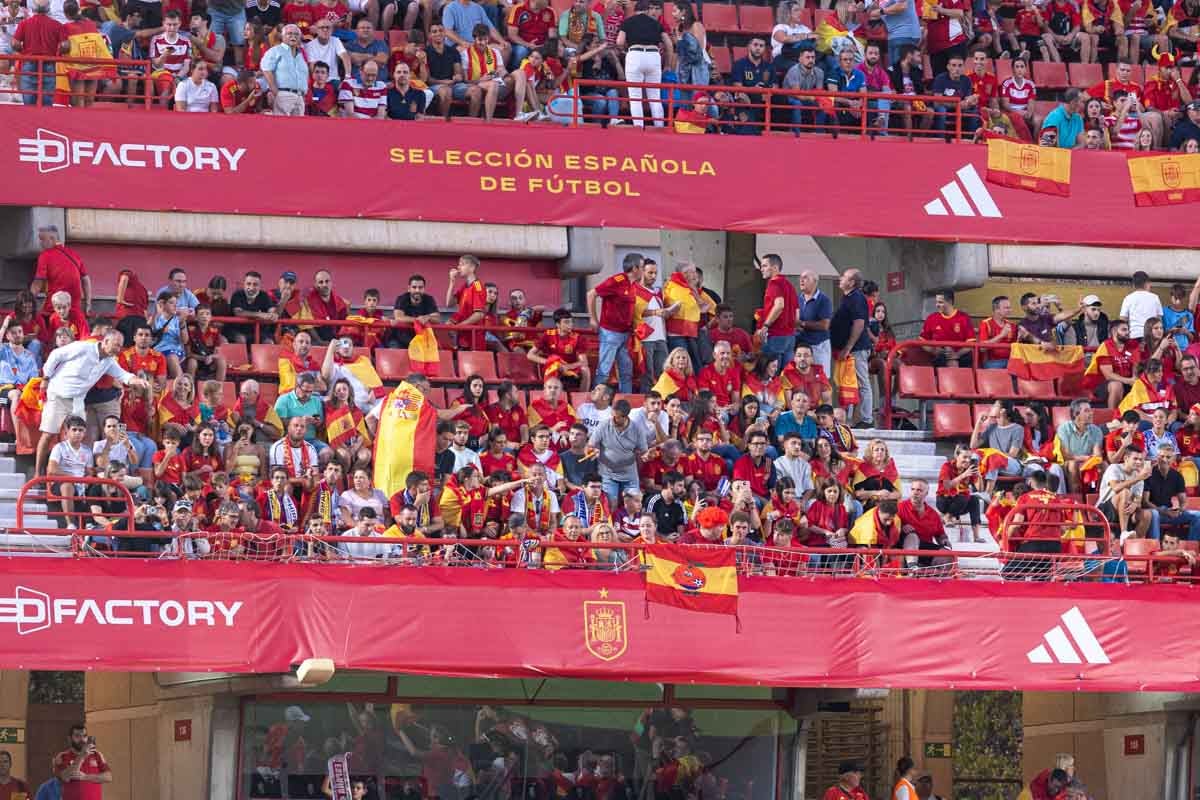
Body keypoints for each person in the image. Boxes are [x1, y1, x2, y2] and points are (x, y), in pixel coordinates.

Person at [37, 331, 149, 479]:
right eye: (116, 345)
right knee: (48, 434)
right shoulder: (82, 348)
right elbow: (56, 355)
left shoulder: (109, 361)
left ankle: (71, 473)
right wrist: (46, 377)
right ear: (105, 341)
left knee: (78, 436)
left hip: (78, 400)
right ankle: (38, 473)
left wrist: (137, 380)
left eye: (121, 346)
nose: (118, 349)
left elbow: (123, 375)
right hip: (58, 395)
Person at [588, 253, 643, 394]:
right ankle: (596, 399)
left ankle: (626, 400)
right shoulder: (616, 280)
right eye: (642, 267)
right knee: (604, 370)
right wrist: (593, 319)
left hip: (625, 334)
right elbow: (591, 294)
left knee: (626, 370)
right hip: (610, 333)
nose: (643, 270)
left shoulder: (634, 285)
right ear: (635, 268)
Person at [617, 0, 670, 127]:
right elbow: (668, 43)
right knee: (655, 96)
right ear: (647, 10)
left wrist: (625, 49)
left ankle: (638, 128)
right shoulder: (656, 23)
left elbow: (619, 42)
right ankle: (659, 127)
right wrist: (667, 64)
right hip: (653, 55)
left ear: (635, 10)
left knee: (635, 97)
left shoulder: (628, 22)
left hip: (635, 54)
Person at [830, 268, 872, 428]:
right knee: (848, 384)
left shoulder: (857, 298)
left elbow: (859, 323)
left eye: (844, 277)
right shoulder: (846, 298)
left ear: (852, 282)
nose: (840, 278)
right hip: (846, 348)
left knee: (862, 383)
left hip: (857, 349)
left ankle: (866, 419)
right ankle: (849, 419)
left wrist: (848, 347)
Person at [589, 399, 648, 504]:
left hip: (629, 476)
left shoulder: (637, 429)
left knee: (634, 504)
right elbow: (590, 445)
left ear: (625, 417)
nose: (613, 419)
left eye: (617, 417)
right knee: (611, 505)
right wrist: (591, 451)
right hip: (607, 474)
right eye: (612, 415)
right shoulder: (604, 425)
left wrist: (647, 455)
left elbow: (644, 452)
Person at [32, 225, 90, 316]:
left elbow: (37, 284)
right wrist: (88, 304)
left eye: (42, 239)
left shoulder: (45, 255)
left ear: (52, 238)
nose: (40, 243)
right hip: (74, 310)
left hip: (54, 309)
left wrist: (27, 302)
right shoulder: (74, 254)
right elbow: (86, 280)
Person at [1146, 443, 1200, 541]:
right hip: (1152, 511)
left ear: (1174, 458)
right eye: (1162, 456)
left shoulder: (1177, 476)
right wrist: (1164, 511)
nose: (1165, 460)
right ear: (1157, 457)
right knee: (1154, 514)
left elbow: (1183, 501)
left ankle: (1191, 547)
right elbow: (1145, 502)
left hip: (1168, 511)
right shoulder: (1148, 474)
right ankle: (1155, 548)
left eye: (1168, 457)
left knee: (1198, 516)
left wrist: (1179, 511)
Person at [756, 254, 799, 373]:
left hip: (776, 335)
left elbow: (779, 305)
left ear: (775, 268)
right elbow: (797, 314)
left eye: (764, 265)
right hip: (790, 337)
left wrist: (765, 325)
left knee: (769, 373)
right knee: (786, 377)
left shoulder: (774, 283)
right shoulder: (790, 286)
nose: (761, 269)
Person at [261, 23, 309, 114]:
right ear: (282, 37)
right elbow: (266, 69)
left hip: (299, 96)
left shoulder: (301, 55)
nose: (293, 36)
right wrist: (275, 92)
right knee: (282, 126)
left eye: (296, 34)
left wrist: (304, 94)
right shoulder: (275, 51)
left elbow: (304, 74)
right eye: (289, 34)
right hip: (283, 94)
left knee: (298, 127)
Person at [54, 724, 112, 797]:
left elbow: (109, 777)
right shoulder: (62, 756)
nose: (82, 739)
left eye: (84, 736)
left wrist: (85, 777)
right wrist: (81, 756)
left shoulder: (97, 754)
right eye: (77, 736)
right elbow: (66, 778)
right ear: (70, 738)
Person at [1119, 270, 1163, 342]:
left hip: (1134, 335)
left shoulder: (1128, 298)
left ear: (1133, 285)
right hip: (1151, 336)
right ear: (1146, 283)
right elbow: (1159, 319)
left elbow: (1122, 320)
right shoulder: (1155, 298)